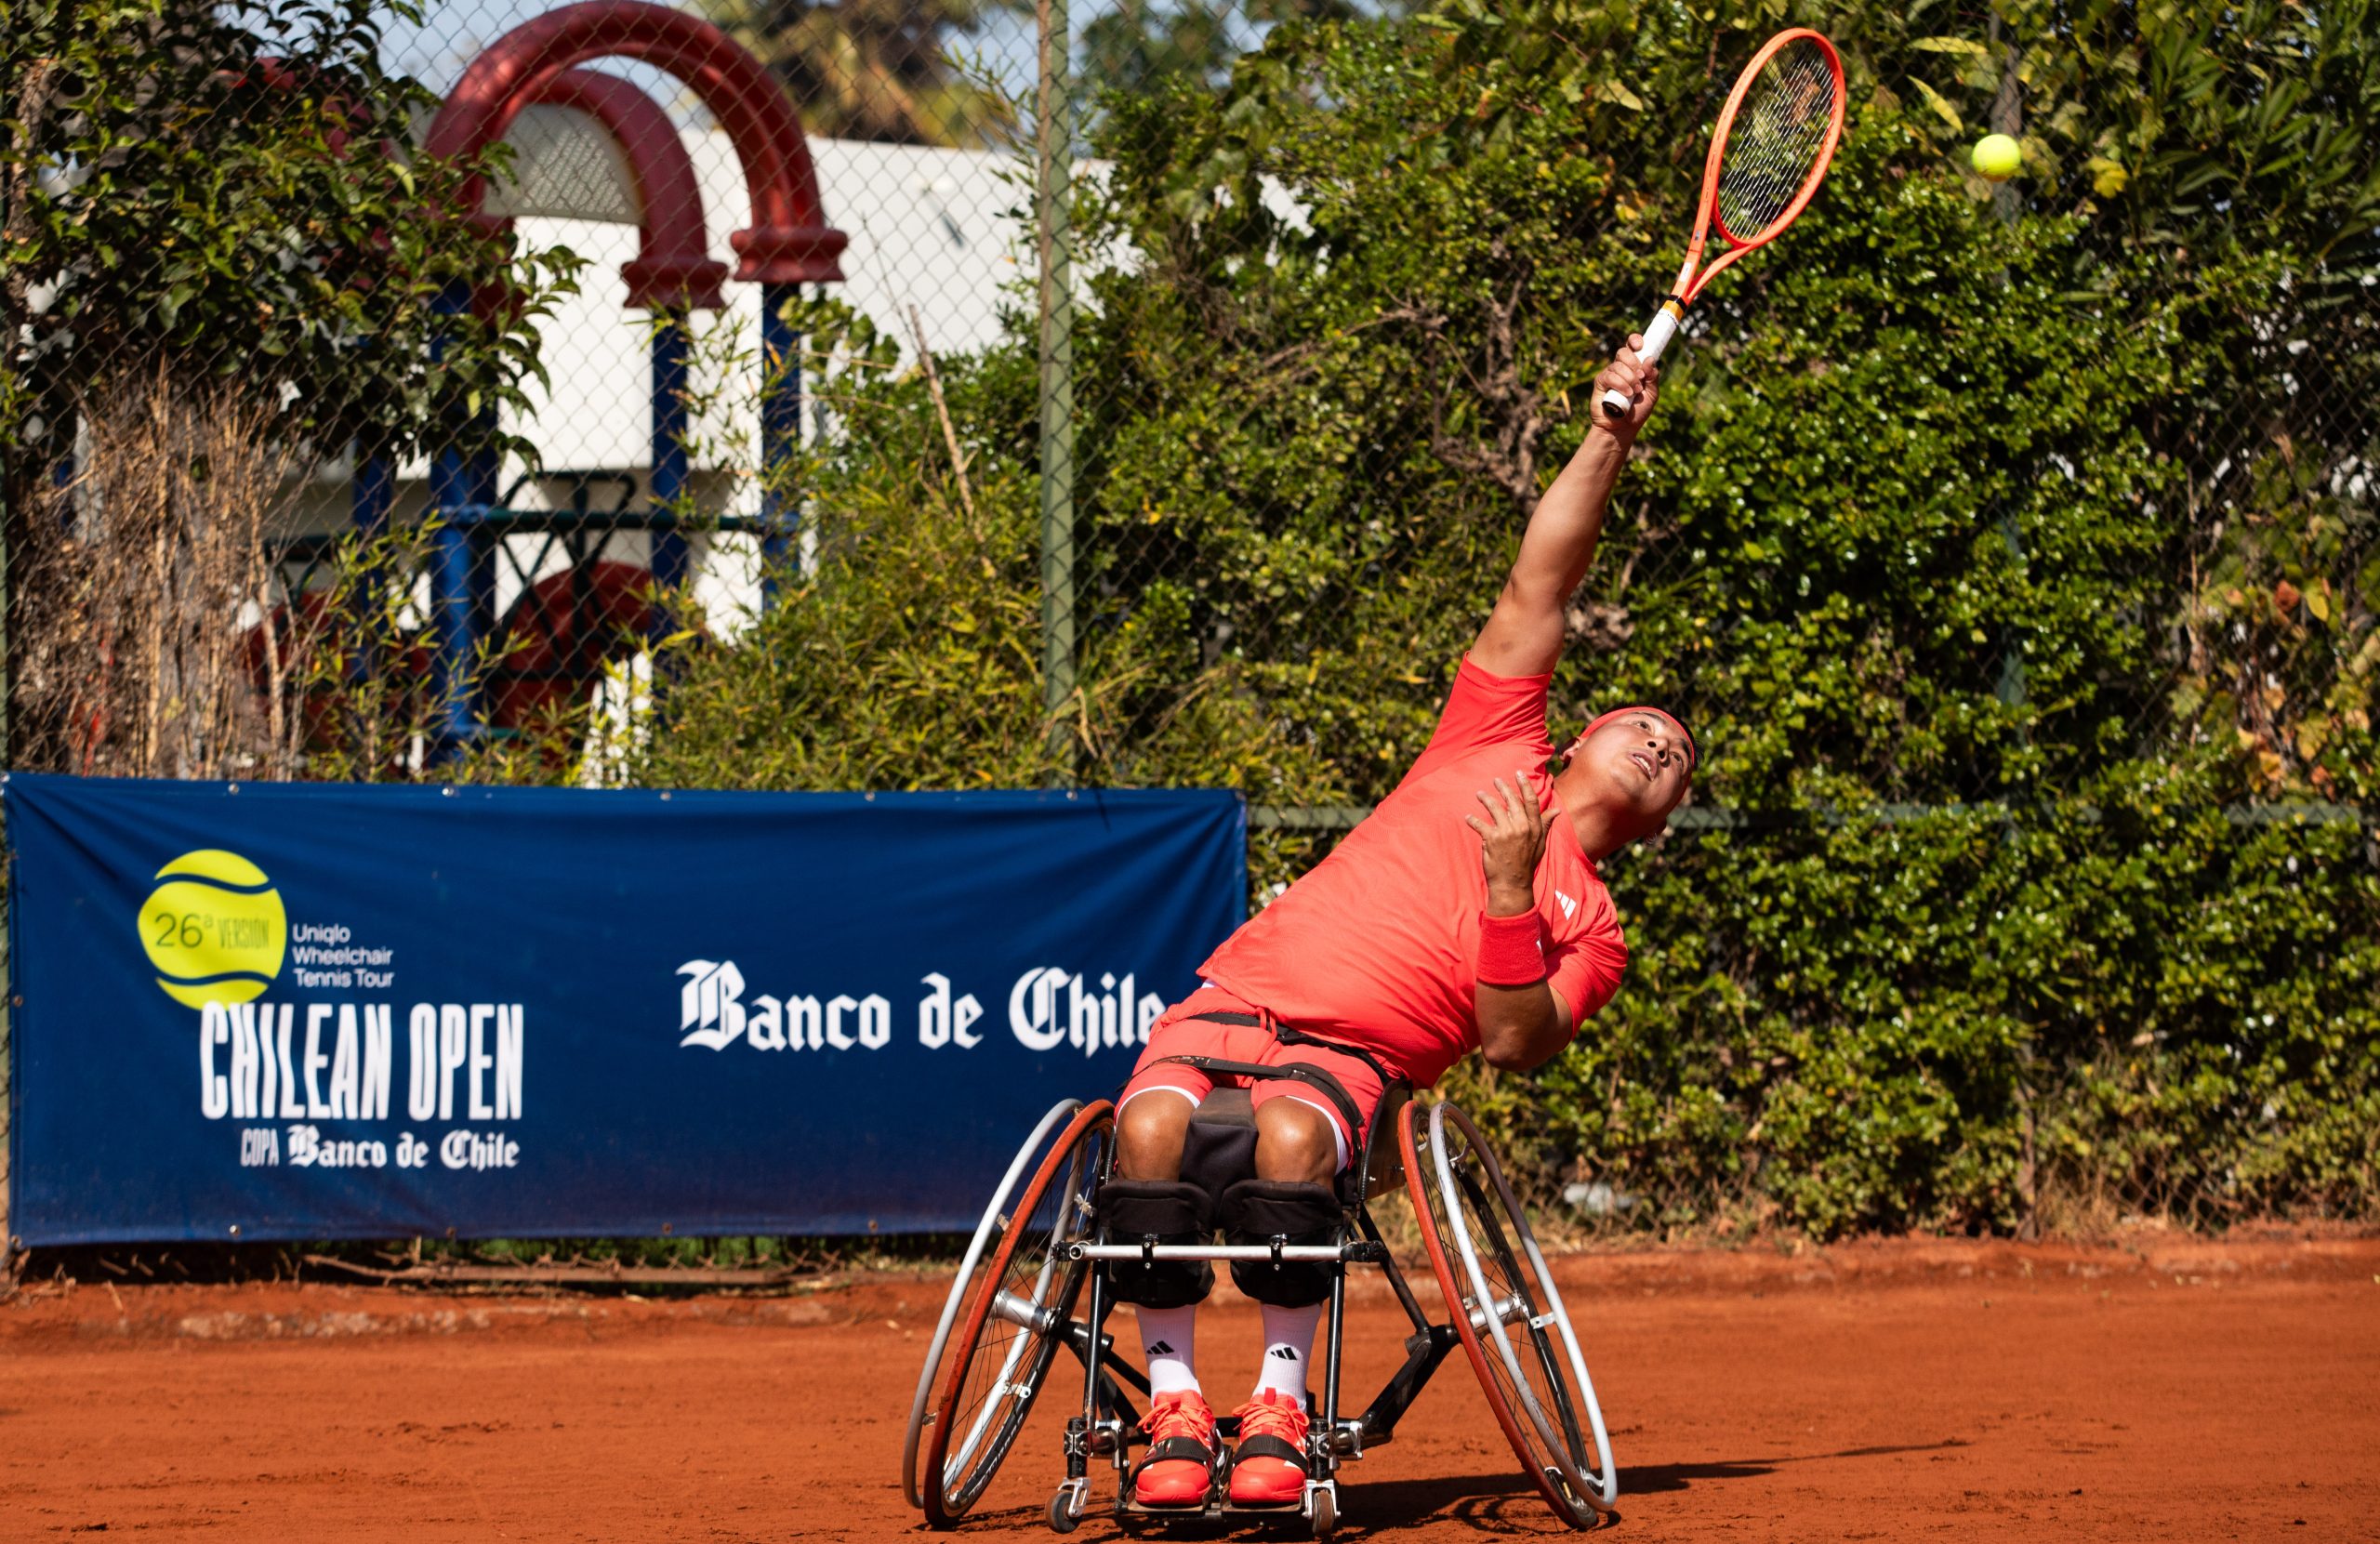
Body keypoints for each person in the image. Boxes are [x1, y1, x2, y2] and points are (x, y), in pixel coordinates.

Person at [1097, 338, 1693, 1510]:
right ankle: (1170, 1407)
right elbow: (1542, 584)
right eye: (1643, 726)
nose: (1663, 742)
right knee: (1152, 1121)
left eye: (1677, 759)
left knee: (1287, 1144)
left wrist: (1515, 889)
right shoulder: (1491, 740)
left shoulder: (1599, 926)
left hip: (1350, 1061)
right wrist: (1609, 435)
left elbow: (1516, 1044)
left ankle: (1276, 1403)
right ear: (1575, 739)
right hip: (1231, 1000)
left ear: (1663, 822)